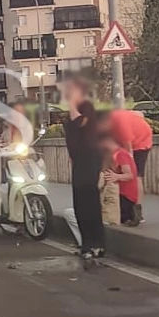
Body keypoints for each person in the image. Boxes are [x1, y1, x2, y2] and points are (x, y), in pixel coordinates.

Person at [62, 78, 105, 260]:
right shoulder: (80, 107)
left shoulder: (86, 107)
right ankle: (88, 243)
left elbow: (79, 124)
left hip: (89, 158)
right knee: (81, 203)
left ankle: (95, 244)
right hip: (80, 160)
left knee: (89, 201)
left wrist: (72, 105)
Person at [108, 108, 152, 222]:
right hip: (129, 139)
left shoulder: (119, 122)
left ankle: (136, 209)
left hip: (141, 142)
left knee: (136, 175)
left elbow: (128, 150)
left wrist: (129, 164)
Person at [101, 133, 140, 227]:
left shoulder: (121, 154)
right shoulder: (111, 154)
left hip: (125, 195)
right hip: (117, 191)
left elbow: (129, 175)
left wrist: (116, 176)